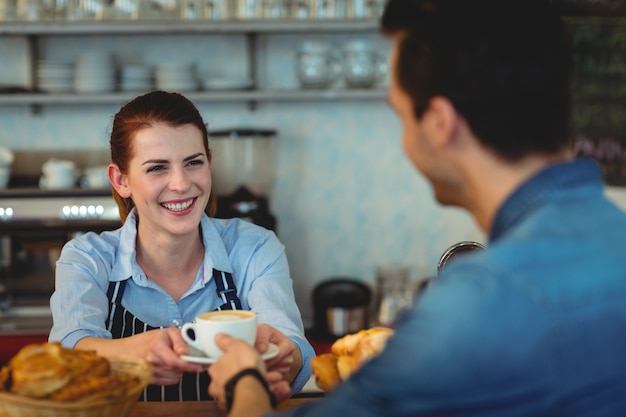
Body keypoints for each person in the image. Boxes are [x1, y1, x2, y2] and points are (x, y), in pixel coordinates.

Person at [205, 0, 626, 416]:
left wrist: (245, 380)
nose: (404, 141)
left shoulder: (473, 307)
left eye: (401, 117)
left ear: (441, 124)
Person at [48, 90, 314, 402]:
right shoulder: (87, 258)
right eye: (157, 167)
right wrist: (137, 350)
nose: (181, 183)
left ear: (210, 163)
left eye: (193, 163)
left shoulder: (255, 247)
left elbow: (292, 346)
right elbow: (70, 347)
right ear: (121, 180)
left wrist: (284, 357)